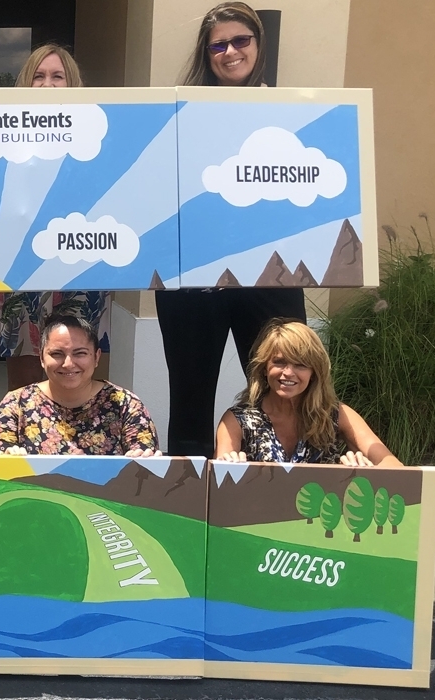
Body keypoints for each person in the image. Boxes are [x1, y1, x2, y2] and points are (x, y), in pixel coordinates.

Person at [155, 2, 307, 458]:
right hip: (192, 277)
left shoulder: (293, 113)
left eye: (241, 40)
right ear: (207, 53)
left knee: (282, 391)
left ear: (259, 45)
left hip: (269, 274)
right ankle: (186, 501)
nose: (230, 51)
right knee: (189, 393)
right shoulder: (175, 113)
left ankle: (273, 490)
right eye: (218, 44)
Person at [0, 44, 112, 391]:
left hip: (78, 269)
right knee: (25, 384)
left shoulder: (99, 136)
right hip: (18, 270)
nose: (47, 84)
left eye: (57, 76)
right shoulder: (0, 136)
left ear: (72, 84)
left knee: (77, 371)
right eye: (39, 76)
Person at [215, 319, 402, 466]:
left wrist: (362, 471)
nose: (288, 372)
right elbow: (219, 484)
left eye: (300, 365)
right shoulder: (237, 419)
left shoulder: (337, 414)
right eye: (279, 362)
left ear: (314, 372)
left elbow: (393, 466)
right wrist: (230, 467)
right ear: (264, 368)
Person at [0, 313, 160, 457]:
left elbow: (144, 478)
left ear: (96, 357)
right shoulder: (16, 404)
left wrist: (143, 461)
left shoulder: (126, 405)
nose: (68, 363)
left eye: (80, 353)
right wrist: (8, 460)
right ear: (42, 359)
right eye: (57, 354)